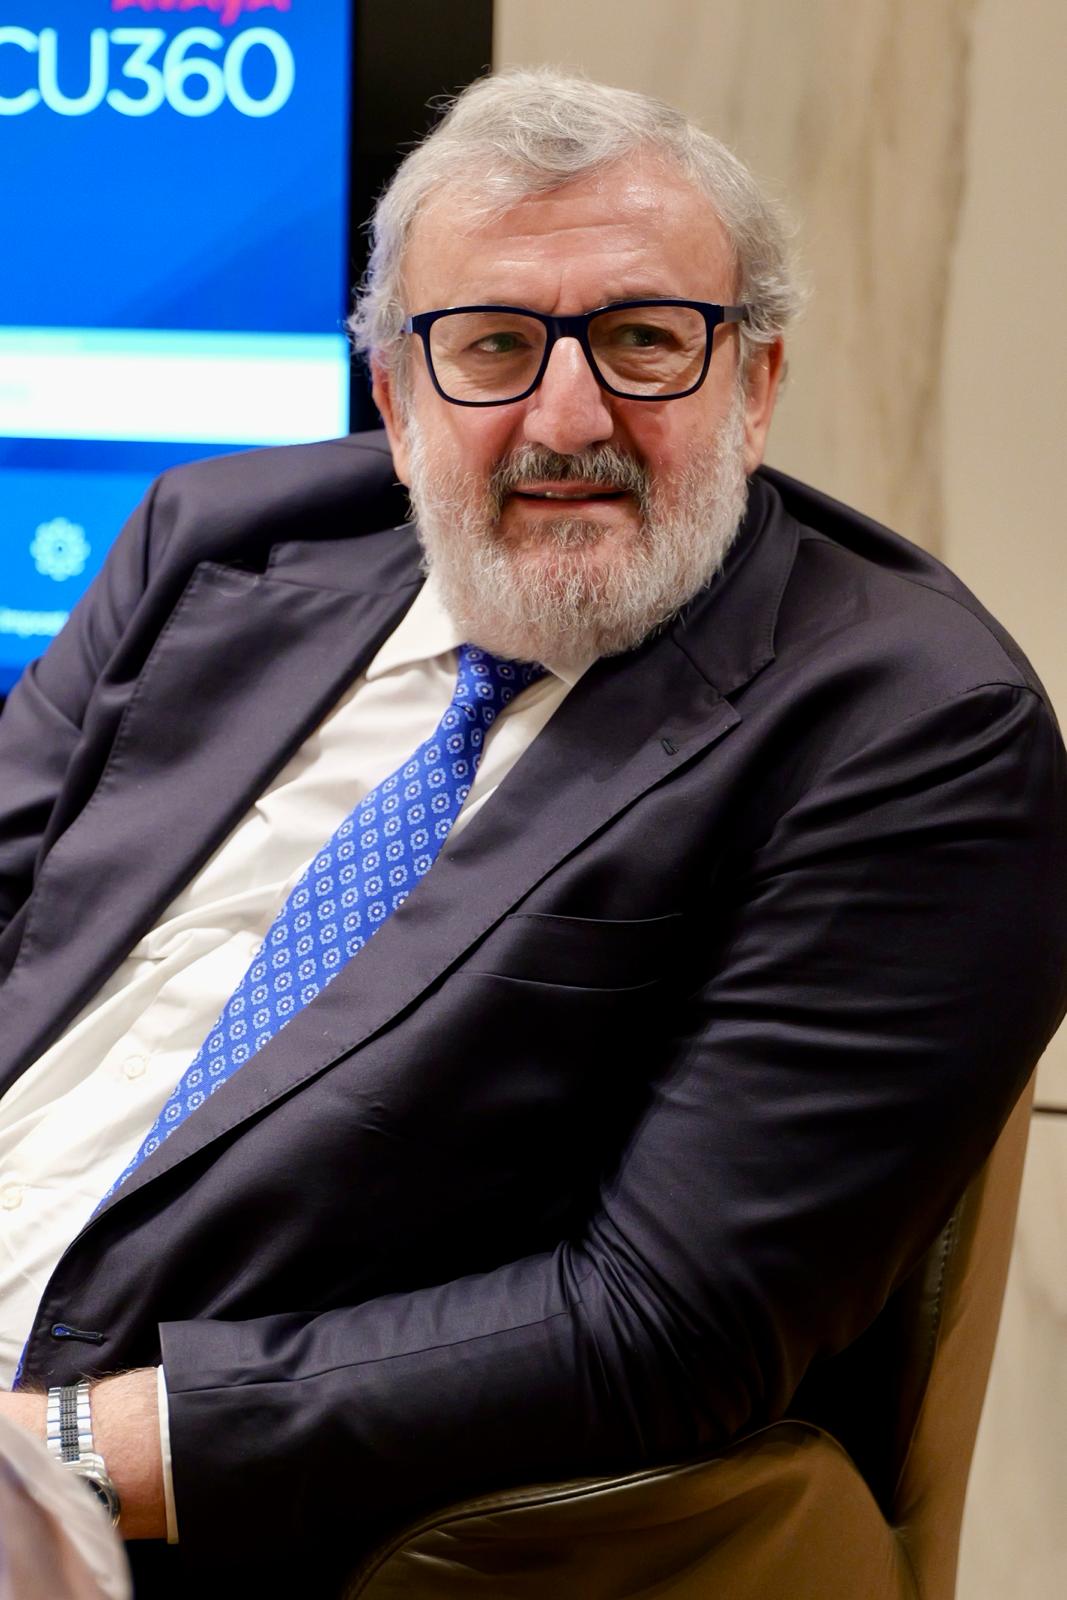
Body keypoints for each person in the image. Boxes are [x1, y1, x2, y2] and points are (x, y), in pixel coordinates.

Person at [0, 67, 1064, 1598]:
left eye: (643, 340)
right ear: (397, 397)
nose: (569, 419)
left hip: (187, 1506)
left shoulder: (907, 729)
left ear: (755, 383)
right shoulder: (217, 546)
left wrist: (63, 1460)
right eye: (494, 344)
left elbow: (660, 1328)